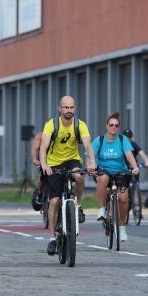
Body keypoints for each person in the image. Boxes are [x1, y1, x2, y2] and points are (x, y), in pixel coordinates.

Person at [39, 96, 96, 255]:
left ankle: (77, 206)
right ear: (60, 109)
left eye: (71, 107)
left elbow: (87, 145)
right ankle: (52, 239)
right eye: (66, 108)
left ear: (75, 108)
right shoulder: (51, 125)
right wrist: (44, 164)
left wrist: (91, 162)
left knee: (79, 177)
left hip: (72, 160)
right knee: (54, 201)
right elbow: (43, 147)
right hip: (54, 163)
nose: (69, 110)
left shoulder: (80, 125)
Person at [92, 112, 139, 242]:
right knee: (103, 178)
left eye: (116, 125)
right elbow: (91, 156)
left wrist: (135, 167)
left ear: (118, 127)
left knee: (123, 199)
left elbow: (129, 155)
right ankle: (102, 209)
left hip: (120, 173)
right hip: (103, 171)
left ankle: (122, 227)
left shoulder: (123, 139)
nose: (114, 127)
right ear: (107, 126)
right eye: (111, 125)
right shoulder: (99, 140)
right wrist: (91, 167)